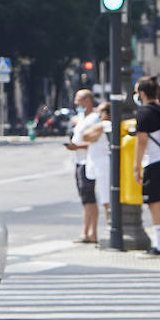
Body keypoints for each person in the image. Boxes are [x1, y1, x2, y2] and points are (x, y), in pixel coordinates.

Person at [132, 76, 160, 255]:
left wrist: (136, 167)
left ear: (142, 93)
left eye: (137, 91)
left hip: (155, 161)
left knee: (155, 204)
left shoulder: (144, 112)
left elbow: (142, 141)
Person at [65, 89, 101, 244]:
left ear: (87, 100)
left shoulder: (94, 118)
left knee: (89, 198)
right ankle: (86, 232)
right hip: (79, 162)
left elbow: (96, 142)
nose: (75, 103)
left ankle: (92, 233)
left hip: (89, 162)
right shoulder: (80, 118)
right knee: (85, 199)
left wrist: (77, 147)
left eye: (78, 99)